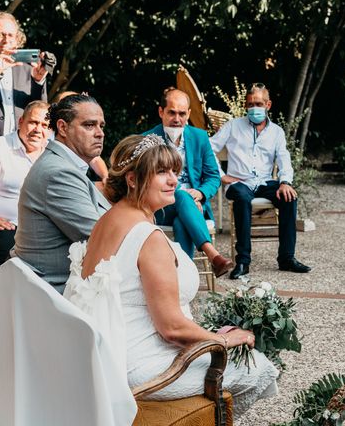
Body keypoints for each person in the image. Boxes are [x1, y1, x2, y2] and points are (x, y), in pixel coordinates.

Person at [63, 134, 279, 415]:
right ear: (132, 179)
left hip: (108, 359)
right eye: (161, 172)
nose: (174, 180)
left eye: (175, 171)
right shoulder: (147, 237)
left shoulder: (108, 219)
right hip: (144, 368)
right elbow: (172, 329)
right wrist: (223, 339)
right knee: (259, 367)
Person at [210, 83, 311, 279]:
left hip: (265, 182)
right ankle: (243, 261)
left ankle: (286, 258)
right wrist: (221, 174)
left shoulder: (277, 132)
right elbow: (208, 148)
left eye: (258, 103)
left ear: (268, 105)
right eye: (249, 104)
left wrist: (285, 182)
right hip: (239, 182)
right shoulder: (233, 126)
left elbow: (284, 159)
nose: (253, 108)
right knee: (241, 198)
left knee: (289, 197)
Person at [15, 93, 110, 292]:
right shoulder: (59, 173)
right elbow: (100, 238)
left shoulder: (65, 165)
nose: (100, 133)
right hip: (56, 294)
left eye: (101, 126)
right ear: (63, 127)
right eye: (89, 125)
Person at [144, 87, 233, 277]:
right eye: (172, 112)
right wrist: (186, 197)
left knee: (181, 221)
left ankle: (181, 277)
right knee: (182, 196)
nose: (177, 119)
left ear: (189, 114)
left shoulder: (200, 138)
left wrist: (200, 194)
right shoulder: (147, 140)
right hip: (160, 208)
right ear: (161, 112)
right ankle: (212, 254)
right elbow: (147, 181)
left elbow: (213, 176)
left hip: (193, 207)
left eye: (182, 114)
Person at [0, 100, 49, 263]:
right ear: (21, 122)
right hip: (7, 229)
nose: (38, 130)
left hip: (41, 232)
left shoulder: (52, 154)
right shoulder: (2, 148)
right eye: (33, 122)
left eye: (44, 125)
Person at [0, 11, 54, 136]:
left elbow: (39, 110)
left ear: (17, 40)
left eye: (11, 35)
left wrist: (38, 81)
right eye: (0, 35)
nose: (6, 40)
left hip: (20, 145)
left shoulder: (28, 70)